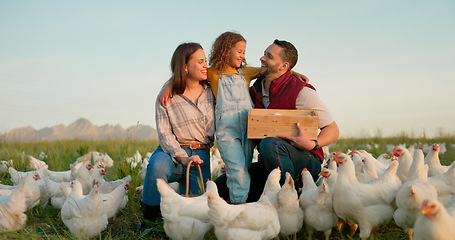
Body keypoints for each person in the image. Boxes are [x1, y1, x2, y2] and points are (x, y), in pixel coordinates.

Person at [159, 32, 308, 204]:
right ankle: (238, 208)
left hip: (247, 129)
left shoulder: (245, 72)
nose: (243, 56)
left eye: (244, 52)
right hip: (227, 131)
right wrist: (168, 86)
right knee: (238, 172)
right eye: (239, 51)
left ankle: (236, 203)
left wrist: (293, 72)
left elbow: (273, 68)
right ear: (225, 50)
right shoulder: (213, 73)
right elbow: (187, 72)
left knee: (243, 170)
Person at [140, 42, 214, 229]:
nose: (206, 65)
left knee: (193, 214)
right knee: (156, 166)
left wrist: (293, 74)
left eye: (206, 61)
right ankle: (148, 219)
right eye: (200, 61)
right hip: (171, 152)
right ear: (185, 67)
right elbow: (164, 134)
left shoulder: (213, 90)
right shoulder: (166, 97)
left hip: (201, 155)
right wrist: (181, 157)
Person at [249, 39, 339, 187]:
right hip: (270, 163)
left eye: (269, 56)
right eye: (264, 54)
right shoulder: (254, 90)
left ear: (284, 66)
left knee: (270, 143)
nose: (262, 58)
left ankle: (290, 196)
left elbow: (333, 130)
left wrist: (312, 144)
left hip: (305, 161)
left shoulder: (302, 92)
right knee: (224, 185)